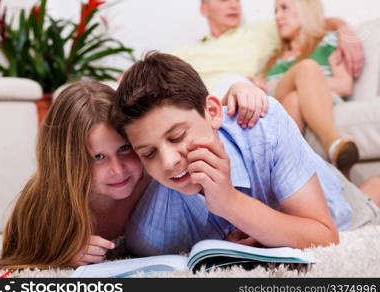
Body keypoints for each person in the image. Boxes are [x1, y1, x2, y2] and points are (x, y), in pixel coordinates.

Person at [112, 52, 380, 257]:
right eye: (148, 153)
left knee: (370, 200)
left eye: (177, 137)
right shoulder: (151, 233)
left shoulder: (263, 125)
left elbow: (324, 236)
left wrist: (229, 202)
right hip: (289, 190)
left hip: (336, 201)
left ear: (214, 113)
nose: (169, 162)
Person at [0, 79, 268, 269]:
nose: (118, 170)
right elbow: (15, 256)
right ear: (68, 163)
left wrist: (238, 88)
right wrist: (60, 253)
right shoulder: (47, 200)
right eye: (98, 157)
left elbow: (181, 106)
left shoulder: (157, 168)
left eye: (125, 148)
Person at [171, 0, 365, 95]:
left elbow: (310, 20)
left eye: (237, 0)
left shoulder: (260, 31)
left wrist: (345, 30)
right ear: (204, 9)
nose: (234, 5)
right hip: (198, 99)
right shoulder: (185, 52)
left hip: (240, 92)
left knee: (239, 84)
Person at [254, 0, 358, 172]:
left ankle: (289, 173)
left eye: (284, 8)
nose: (278, 16)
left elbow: (344, 85)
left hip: (316, 101)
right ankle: (334, 142)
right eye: (275, 11)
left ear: (305, 10)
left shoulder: (328, 42)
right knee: (306, 68)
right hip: (275, 103)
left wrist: (306, 85)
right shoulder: (272, 58)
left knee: (296, 96)